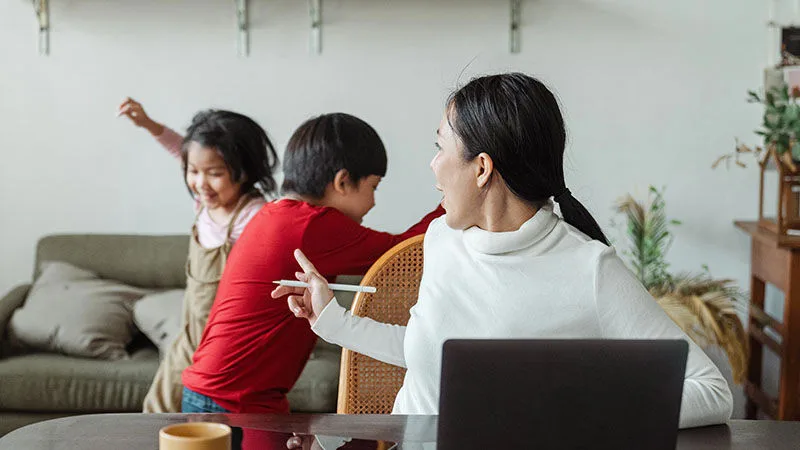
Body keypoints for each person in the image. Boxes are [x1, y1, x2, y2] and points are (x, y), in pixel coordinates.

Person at [274, 73, 734, 430]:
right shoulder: (441, 239)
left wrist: (575, 406)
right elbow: (430, 354)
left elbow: (711, 392)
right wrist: (331, 320)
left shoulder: (589, 268)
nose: (433, 166)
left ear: (481, 168)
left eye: (439, 147)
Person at [182, 113, 445, 415]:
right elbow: (399, 255)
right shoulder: (310, 225)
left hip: (223, 392)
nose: (373, 202)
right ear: (343, 181)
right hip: (232, 401)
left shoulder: (277, 215)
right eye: (373, 187)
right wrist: (452, 199)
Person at [119, 98, 279, 412]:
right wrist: (150, 125)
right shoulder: (206, 203)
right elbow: (184, 150)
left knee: (197, 422)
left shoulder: (253, 217)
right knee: (156, 409)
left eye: (214, 173)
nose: (200, 183)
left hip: (222, 345)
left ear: (244, 171)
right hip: (190, 333)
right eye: (193, 171)